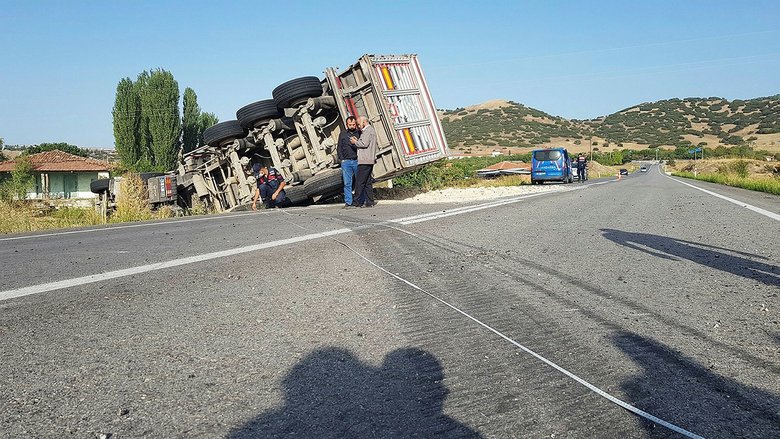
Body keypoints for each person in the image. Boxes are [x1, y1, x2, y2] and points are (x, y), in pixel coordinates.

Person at [350, 116, 377, 208]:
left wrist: (355, 142)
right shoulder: (371, 130)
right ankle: (370, 202)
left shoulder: (367, 131)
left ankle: (356, 202)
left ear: (364, 122)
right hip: (369, 160)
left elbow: (364, 144)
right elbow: (365, 143)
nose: (358, 126)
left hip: (365, 160)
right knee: (367, 182)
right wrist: (358, 140)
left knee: (359, 182)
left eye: (359, 124)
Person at [337, 116, 360, 208]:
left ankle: (359, 201)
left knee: (359, 182)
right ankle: (348, 202)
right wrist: (342, 159)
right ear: (347, 124)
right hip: (346, 162)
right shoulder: (342, 134)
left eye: (353, 124)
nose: (352, 126)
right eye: (350, 125)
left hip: (357, 161)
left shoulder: (359, 133)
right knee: (347, 183)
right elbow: (339, 147)